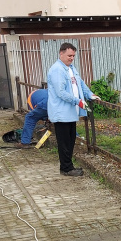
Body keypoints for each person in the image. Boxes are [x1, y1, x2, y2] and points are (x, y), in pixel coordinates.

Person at [47, 42, 101, 177]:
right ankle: (66, 168)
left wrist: (90, 94)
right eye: (69, 55)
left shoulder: (70, 68)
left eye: (73, 56)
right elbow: (60, 92)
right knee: (64, 142)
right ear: (61, 53)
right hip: (62, 112)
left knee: (70, 141)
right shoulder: (57, 70)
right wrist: (78, 102)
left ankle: (68, 166)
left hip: (70, 112)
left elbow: (80, 83)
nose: (71, 58)